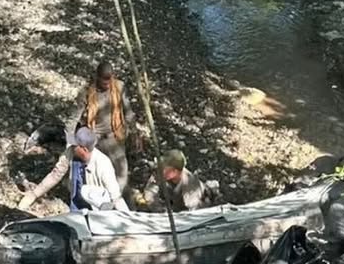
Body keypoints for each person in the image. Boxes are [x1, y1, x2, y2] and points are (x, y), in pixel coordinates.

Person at [67, 60, 138, 195]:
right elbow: (73, 118)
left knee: (121, 171)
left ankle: (116, 199)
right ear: (97, 77)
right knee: (95, 172)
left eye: (109, 81)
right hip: (95, 139)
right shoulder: (87, 92)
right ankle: (98, 200)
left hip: (115, 136)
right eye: (103, 82)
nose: (107, 85)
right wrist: (71, 142)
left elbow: (128, 111)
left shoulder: (119, 87)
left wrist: (135, 133)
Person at [18, 127, 128, 213]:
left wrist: (127, 218)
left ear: (84, 149)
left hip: (96, 211)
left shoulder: (103, 164)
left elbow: (115, 196)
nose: (71, 146)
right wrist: (33, 195)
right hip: (76, 205)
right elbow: (55, 175)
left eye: (75, 145)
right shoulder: (70, 152)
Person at [142, 149, 213, 212]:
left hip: (197, 205)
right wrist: (160, 210)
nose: (160, 169)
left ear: (174, 171)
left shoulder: (189, 185)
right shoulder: (161, 173)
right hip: (174, 202)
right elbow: (150, 193)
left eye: (164, 168)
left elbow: (193, 214)